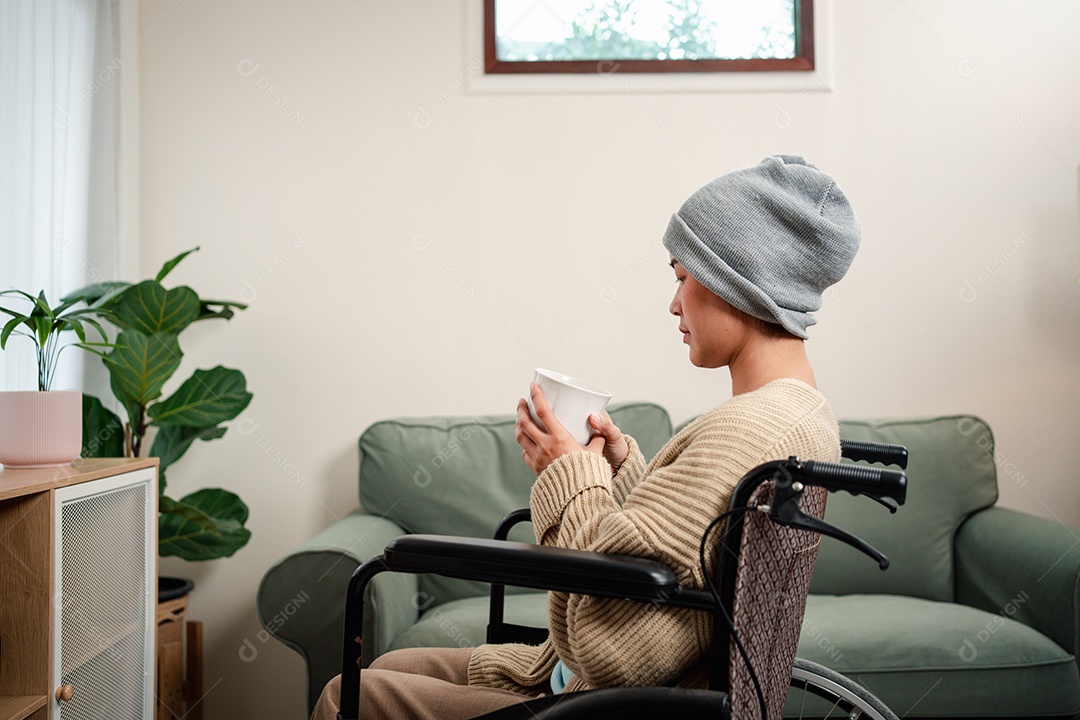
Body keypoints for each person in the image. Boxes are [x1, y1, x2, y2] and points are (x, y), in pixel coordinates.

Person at [311, 155, 861, 720]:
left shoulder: (747, 429)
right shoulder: (794, 416)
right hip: (574, 681)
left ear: (737, 282)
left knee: (344, 695)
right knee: (387, 669)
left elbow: (612, 647)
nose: (673, 304)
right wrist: (618, 473)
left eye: (681, 276)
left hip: (597, 703)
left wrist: (566, 474)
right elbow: (683, 559)